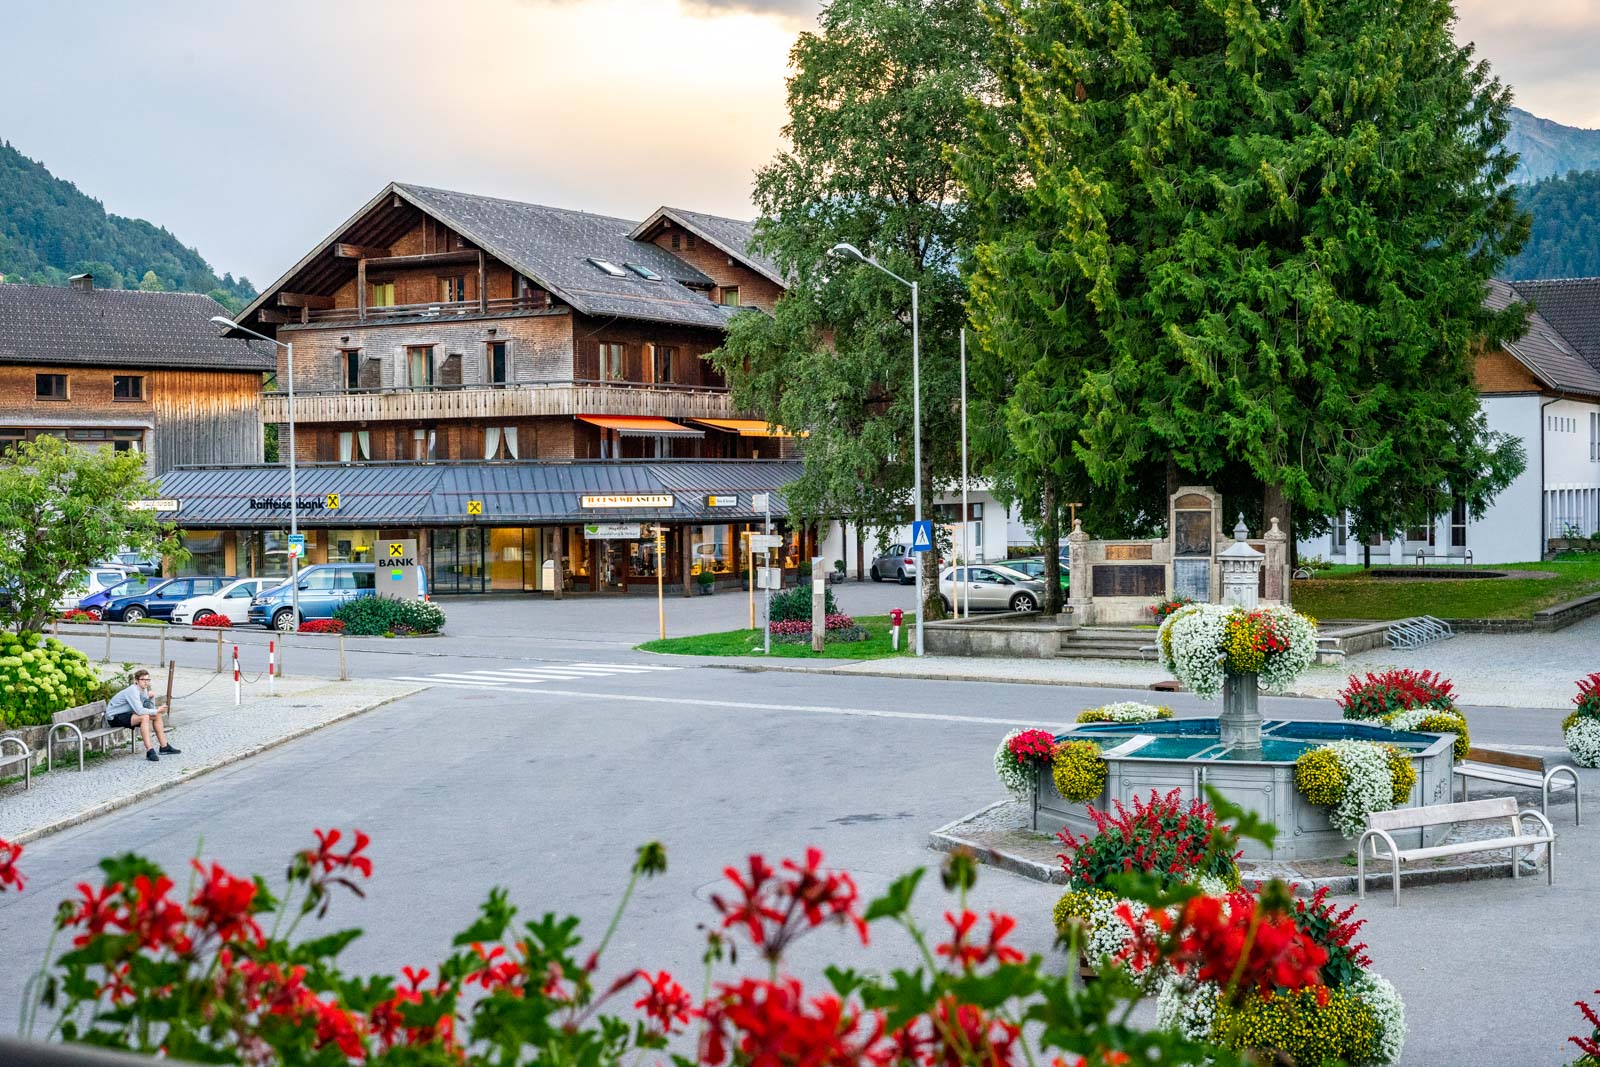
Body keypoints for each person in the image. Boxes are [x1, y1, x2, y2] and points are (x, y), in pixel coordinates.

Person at [106, 669, 180, 762]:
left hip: (127, 714)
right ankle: (149, 751)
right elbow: (140, 711)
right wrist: (157, 710)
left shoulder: (143, 690)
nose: (146, 682)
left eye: (147, 680)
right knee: (144, 717)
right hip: (114, 717)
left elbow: (148, 707)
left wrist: (152, 698)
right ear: (136, 681)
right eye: (143, 679)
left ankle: (164, 747)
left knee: (157, 716)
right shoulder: (133, 690)